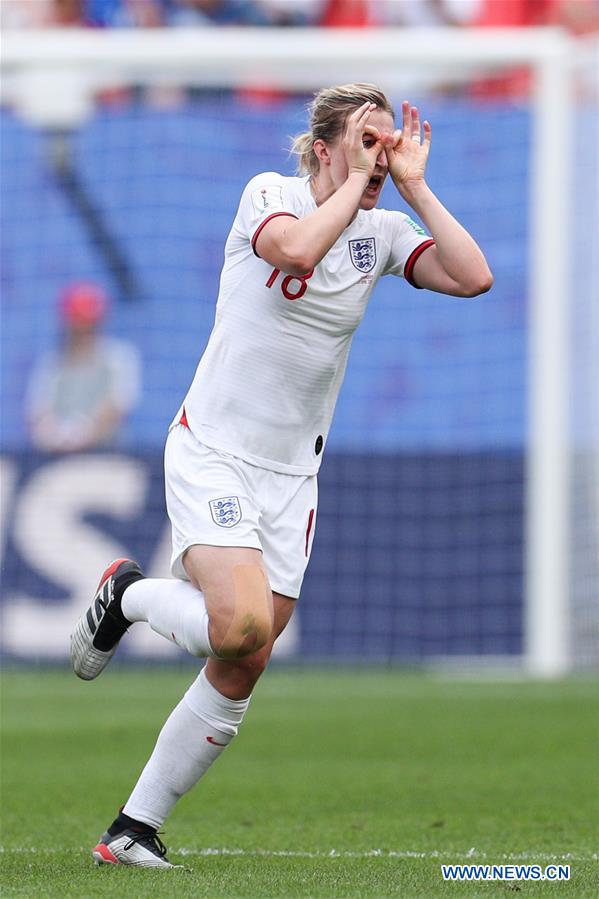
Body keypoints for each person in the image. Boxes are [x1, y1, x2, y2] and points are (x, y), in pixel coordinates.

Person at [70, 83, 493, 867]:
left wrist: (415, 187)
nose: (379, 157)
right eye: (364, 143)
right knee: (238, 626)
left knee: (246, 656)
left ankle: (133, 828)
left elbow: (473, 277)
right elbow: (296, 250)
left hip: (294, 475)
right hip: (215, 449)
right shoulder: (270, 195)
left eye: (386, 141)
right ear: (322, 150)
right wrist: (360, 185)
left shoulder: (385, 230)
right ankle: (127, 595)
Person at [26, 282, 141, 452]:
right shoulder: (51, 363)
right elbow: (37, 412)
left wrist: (84, 431)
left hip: (108, 456)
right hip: (56, 458)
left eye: (88, 323)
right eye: (78, 323)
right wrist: (55, 434)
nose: (83, 330)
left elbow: (118, 405)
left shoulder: (119, 357)